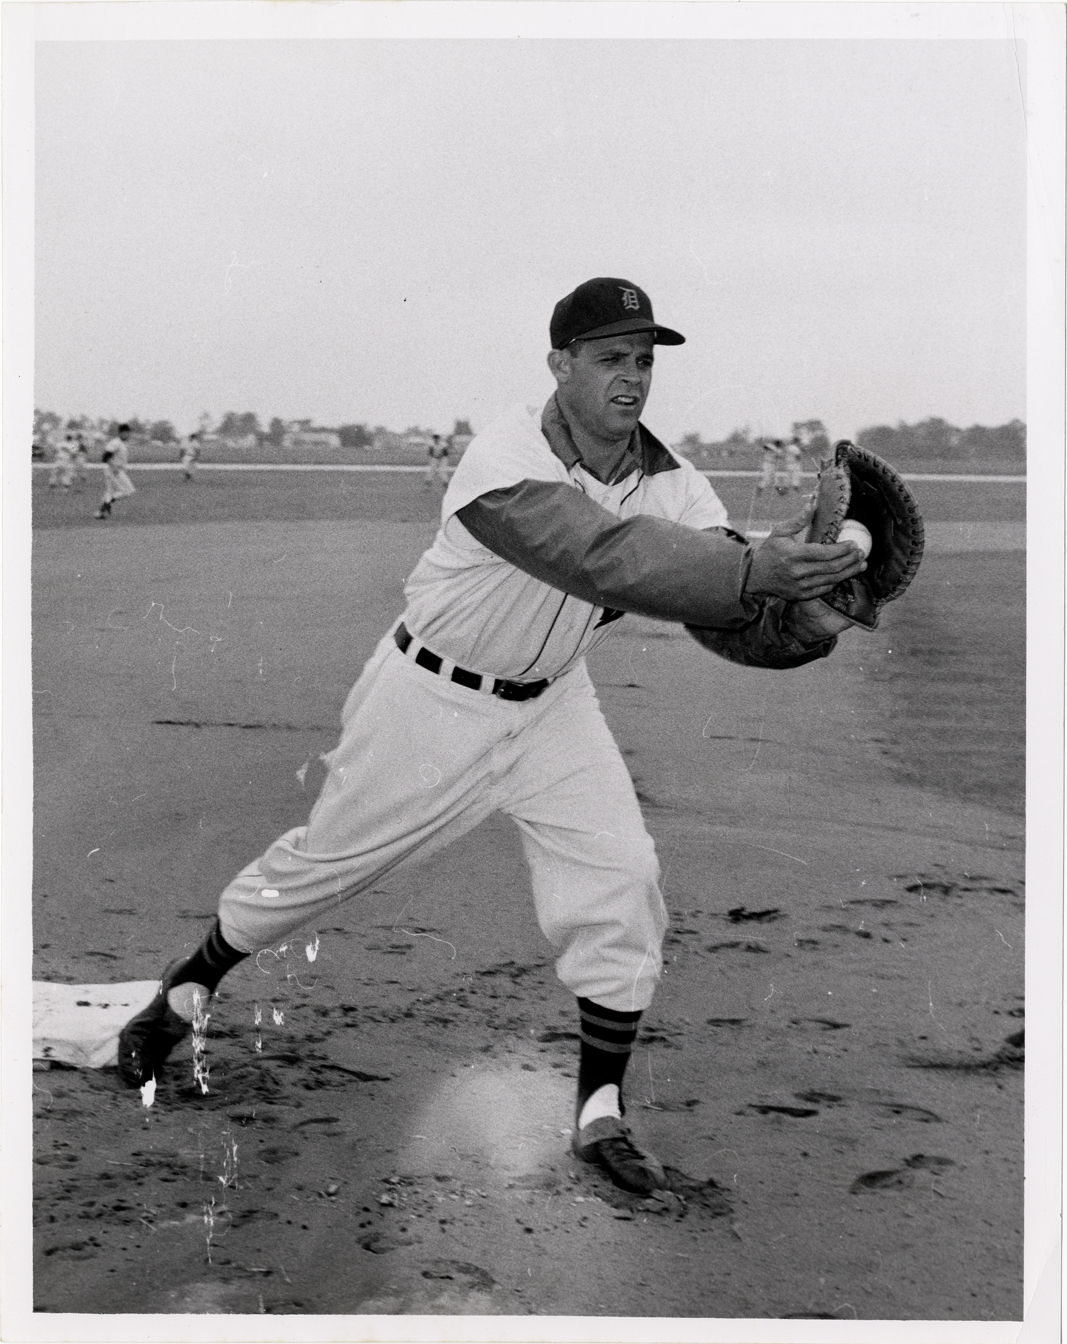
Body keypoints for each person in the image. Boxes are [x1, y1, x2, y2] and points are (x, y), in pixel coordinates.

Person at [117, 277, 865, 1194]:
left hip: (553, 704)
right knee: (323, 869)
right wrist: (754, 566)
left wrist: (805, 618)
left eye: (643, 360)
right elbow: (602, 555)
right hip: (429, 703)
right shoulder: (505, 457)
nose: (630, 377)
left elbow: (717, 607)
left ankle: (599, 1114)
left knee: (620, 878)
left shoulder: (675, 482)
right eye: (608, 358)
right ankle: (186, 988)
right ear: (560, 364)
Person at [95, 423, 136, 520]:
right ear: (122, 433)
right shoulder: (116, 442)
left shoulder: (122, 443)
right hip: (114, 470)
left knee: (109, 492)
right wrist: (114, 467)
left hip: (114, 470)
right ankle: (106, 503)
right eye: (127, 433)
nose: (129, 435)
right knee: (128, 490)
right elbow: (105, 457)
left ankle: (101, 512)